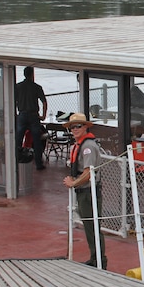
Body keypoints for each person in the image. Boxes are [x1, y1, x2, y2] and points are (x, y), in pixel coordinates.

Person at [62, 113, 107, 269]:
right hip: (83, 192)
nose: (75, 129)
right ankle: (95, 259)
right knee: (89, 227)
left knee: (93, 227)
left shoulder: (87, 147)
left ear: (86, 127)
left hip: (89, 193)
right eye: (72, 127)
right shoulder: (80, 145)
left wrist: (73, 183)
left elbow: (88, 173)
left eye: (78, 126)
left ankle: (99, 261)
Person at [15, 66, 48, 170]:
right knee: (37, 140)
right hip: (34, 115)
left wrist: (16, 114)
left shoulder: (17, 87)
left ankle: (16, 160)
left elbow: (13, 100)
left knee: (18, 140)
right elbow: (44, 102)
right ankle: (38, 163)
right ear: (32, 74)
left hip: (22, 114)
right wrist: (43, 115)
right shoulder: (37, 87)